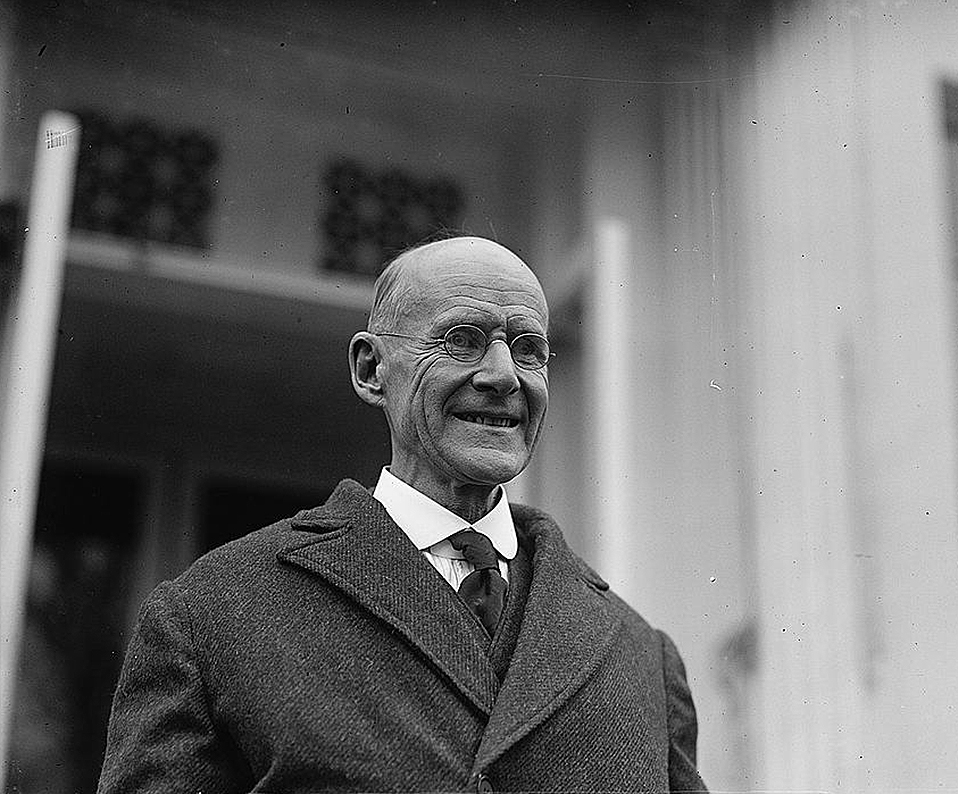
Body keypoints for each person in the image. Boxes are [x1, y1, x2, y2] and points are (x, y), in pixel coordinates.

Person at [98, 236, 708, 793]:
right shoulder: (211, 614)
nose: (503, 376)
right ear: (370, 370)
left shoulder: (641, 656)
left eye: (529, 350)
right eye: (461, 340)